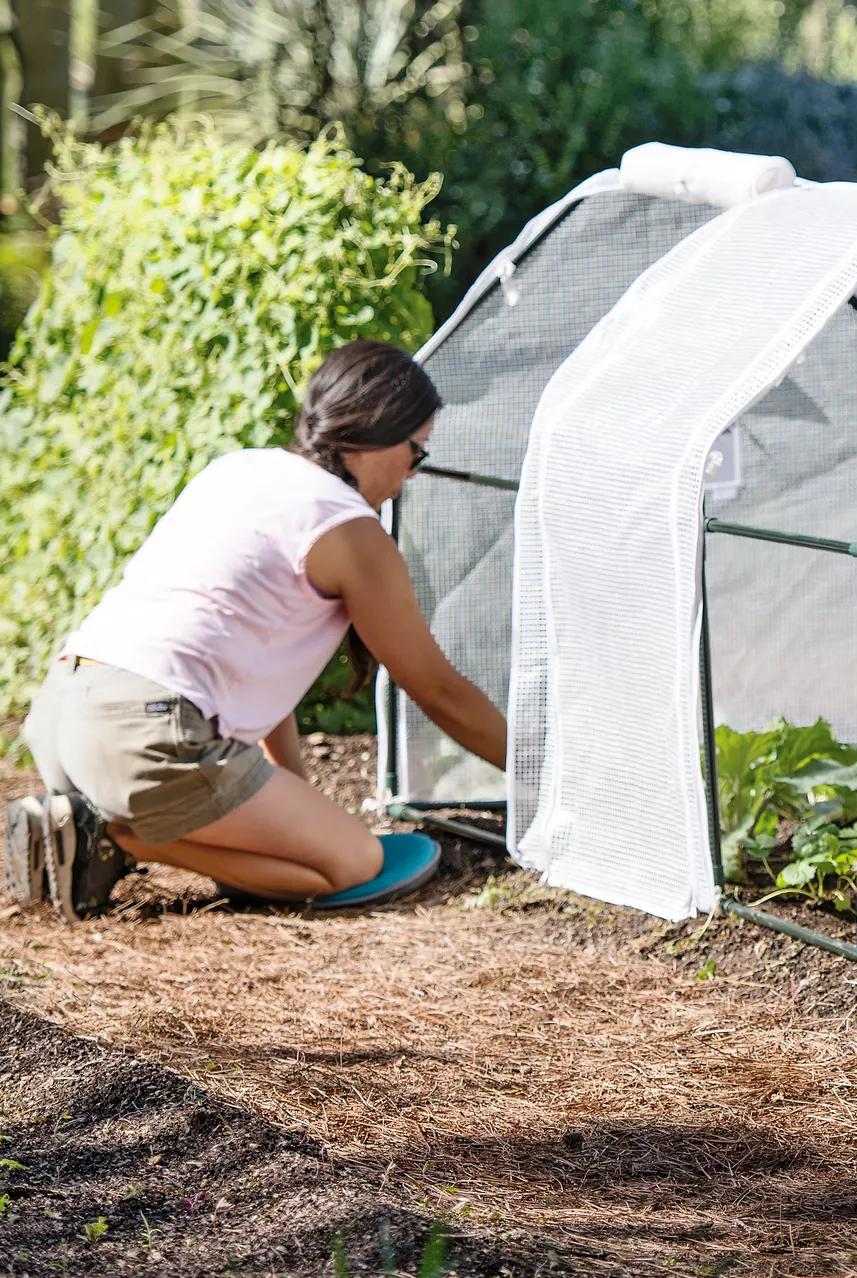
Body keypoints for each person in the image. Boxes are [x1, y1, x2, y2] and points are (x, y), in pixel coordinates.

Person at [3, 341, 506, 918]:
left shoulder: (239, 469)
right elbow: (438, 690)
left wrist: (294, 803)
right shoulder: (350, 532)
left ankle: (95, 814)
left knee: (320, 842)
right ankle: (114, 836)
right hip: (145, 736)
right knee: (353, 864)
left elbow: (252, 675)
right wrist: (534, 776)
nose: (409, 477)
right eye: (416, 453)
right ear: (377, 433)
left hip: (64, 713)